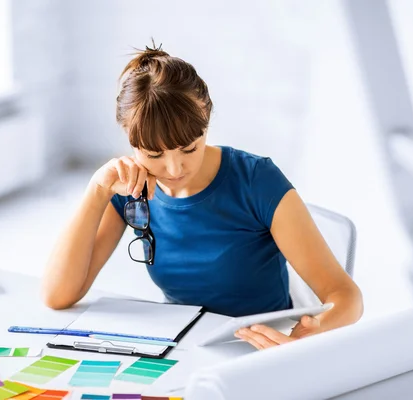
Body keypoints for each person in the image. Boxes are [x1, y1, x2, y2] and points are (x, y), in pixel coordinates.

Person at [41, 42, 363, 350]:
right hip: (183, 344)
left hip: (260, 345)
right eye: (154, 154)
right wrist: (97, 190)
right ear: (130, 140)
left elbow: (345, 296)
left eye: (189, 148)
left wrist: (309, 335)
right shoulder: (128, 189)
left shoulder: (257, 180)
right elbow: (59, 295)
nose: (174, 167)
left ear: (206, 122)